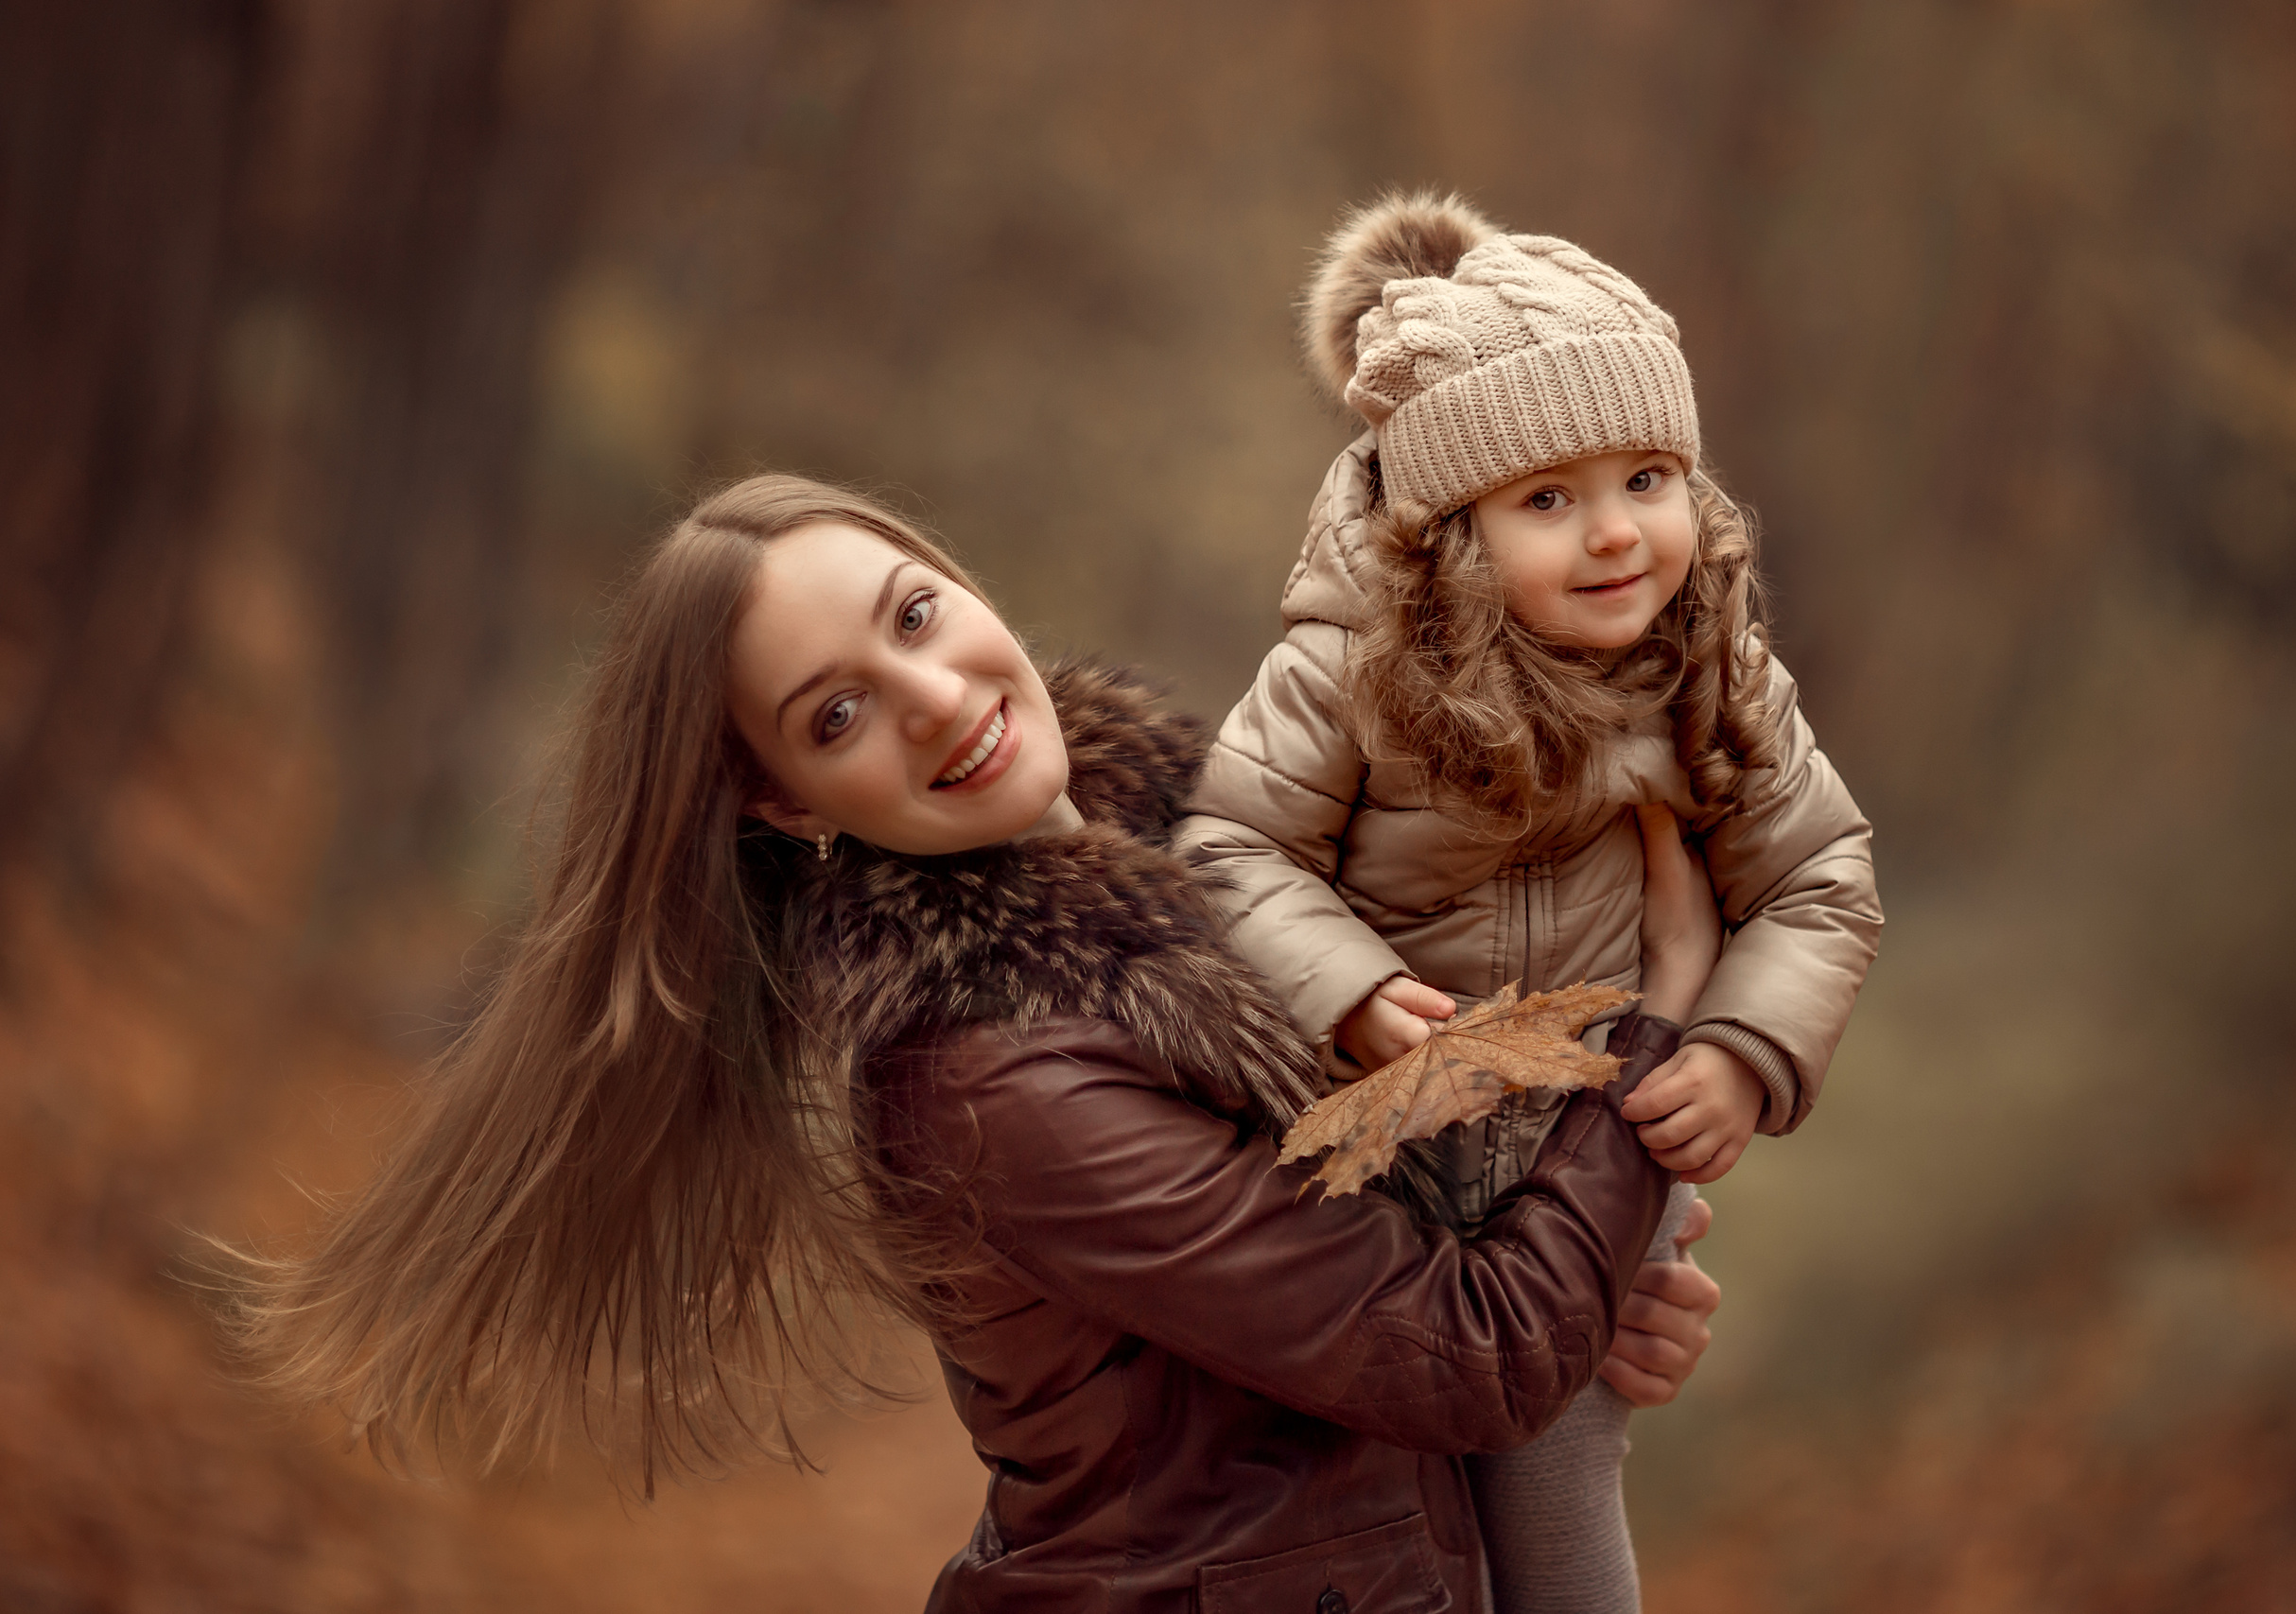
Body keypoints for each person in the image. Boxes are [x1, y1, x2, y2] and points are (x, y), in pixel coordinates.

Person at [236, 475, 1727, 1613]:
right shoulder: (992, 1083)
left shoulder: (1229, 849)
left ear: (959, 581)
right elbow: (1470, 1353)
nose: (938, 702)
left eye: (914, 616)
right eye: (837, 715)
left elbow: (1442, 1287)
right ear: (786, 806)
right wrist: (1657, 1006)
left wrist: (1590, 1298)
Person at [1176, 194, 1885, 1612]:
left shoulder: (1714, 670)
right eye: (1548, 500)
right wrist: (1349, 985)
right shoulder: (1351, 671)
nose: (1617, 535)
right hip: (1382, 1167)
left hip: (1594, 1153)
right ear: (1449, 532)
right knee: (1394, 1513)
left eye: (1646, 478)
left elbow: (1818, 874)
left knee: (1559, 1494)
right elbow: (1227, 851)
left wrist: (1742, 1050)